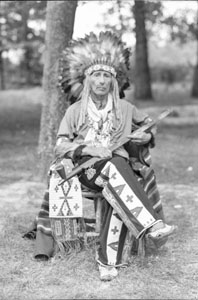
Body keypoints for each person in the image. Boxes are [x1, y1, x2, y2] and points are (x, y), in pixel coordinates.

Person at [24, 31, 177, 281]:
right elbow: (60, 145)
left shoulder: (127, 108)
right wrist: (87, 148)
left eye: (107, 76)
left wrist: (146, 137)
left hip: (116, 170)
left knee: (116, 181)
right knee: (115, 169)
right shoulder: (74, 111)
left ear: (114, 82)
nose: (102, 81)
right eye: (97, 75)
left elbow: (149, 126)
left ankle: (108, 263)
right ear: (88, 80)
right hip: (87, 171)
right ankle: (151, 225)